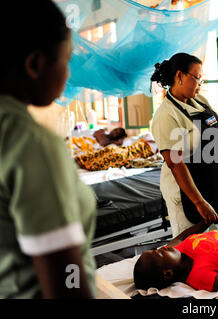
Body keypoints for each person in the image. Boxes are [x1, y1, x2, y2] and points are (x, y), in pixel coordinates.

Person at [0, 1, 97, 298]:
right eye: (66, 61)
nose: (68, 75)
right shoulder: (31, 143)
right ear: (36, 64)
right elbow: (65, 279)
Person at [150, 53, 218, 236]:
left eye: (201, 79)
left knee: (213, 240)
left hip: (209, 181)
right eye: (197, 78)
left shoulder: (200, 101)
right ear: (180, 76)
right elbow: (175, 164)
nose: (200, 84)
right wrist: (199, 202)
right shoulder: (166, 116)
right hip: (185, 192)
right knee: (192, 244)